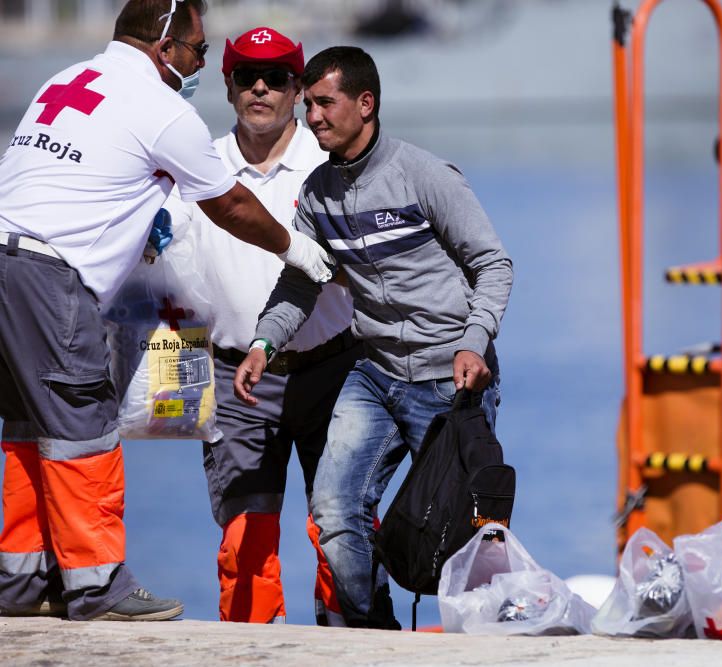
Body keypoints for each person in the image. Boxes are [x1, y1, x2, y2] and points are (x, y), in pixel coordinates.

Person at [0, 0, 334, 622]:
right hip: (53, 277)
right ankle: (97, 585)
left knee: (26, 421)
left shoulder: (67, 79)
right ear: (164, 44)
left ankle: (19, 580)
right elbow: (229, 205)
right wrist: (294, 248)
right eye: (200, 52)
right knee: (80, 421)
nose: (200, 63)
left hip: (5, 256)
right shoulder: (161, 109)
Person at [234, 46, 514, 629]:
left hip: (451, 377)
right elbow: (301, 281)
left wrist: (474, 339)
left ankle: (487, 634)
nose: (311, 117)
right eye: (307, 104)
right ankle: (372, 633)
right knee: (334, 513)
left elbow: (493, 264)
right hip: (376, 372)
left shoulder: (424, 175)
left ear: (366, 104)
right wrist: (263, 344)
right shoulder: (315, 195)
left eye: (324, 103)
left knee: (460, 525)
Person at [160, 26, 357, 626]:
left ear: (299, 88)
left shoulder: (331, 161)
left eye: (277, 77)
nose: (262, 88)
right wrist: (175, 392)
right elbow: (171, 282)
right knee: (243, 541)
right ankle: (249, 652)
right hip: (232, 376)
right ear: (227, 85)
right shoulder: (197, 169)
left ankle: (352, 642)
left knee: (343, 527)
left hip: (331, 368)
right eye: (247, 75)